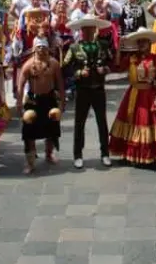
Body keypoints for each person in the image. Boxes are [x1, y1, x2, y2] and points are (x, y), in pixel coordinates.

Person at [108, 29, 156, 166]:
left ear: (149, 43)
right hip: (134, 95)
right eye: (140, 41)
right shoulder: (131, 59)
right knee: (134, 122)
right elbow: (117, 67)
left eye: (145, 41)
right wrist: (119, 48)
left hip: (152, 94)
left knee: (153, 122)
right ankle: (132, 153)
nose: (142, 44)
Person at [63, 14, 115, 169]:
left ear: (95, 29)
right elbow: (66, 68)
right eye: (85, 29)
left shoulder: (103, 45)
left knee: (102, 122)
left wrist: (104, 69)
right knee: (79, 123)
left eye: (91, 28)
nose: (88, 31)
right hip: (82, 90)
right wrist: (78, 73)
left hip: (98, 88)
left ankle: (105, 153)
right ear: (81, 30)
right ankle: (77, 155)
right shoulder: (74, 48)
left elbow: (112, 63)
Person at [16, 38, 66, 174]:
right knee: (29, 128)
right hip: (33, 101)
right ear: (34, 49)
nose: (41, 49)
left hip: (49, 99)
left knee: (52, 125)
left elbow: (60, 83)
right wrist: (19, 103)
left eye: (44, 47)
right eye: (38, 47)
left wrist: (63, 100)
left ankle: (49, 154)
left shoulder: (54, 64)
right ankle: (30, 161)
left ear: (48, 48)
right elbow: (20, 85)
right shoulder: (28, 65)